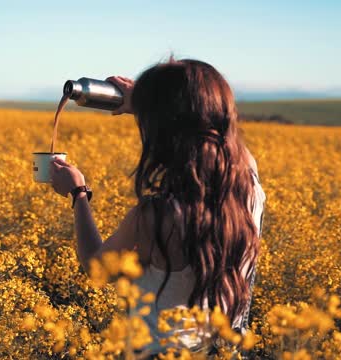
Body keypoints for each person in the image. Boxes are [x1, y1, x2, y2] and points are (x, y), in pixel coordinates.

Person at [50, 59, 266, 356]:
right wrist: (148, 102)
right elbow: (202, 124)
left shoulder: (158, 214)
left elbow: (97, 268)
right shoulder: (248, 184)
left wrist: (78, 194)